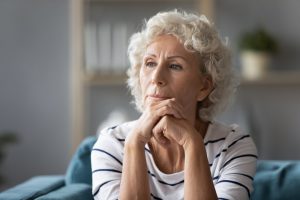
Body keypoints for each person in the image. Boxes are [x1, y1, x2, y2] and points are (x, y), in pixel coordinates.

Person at [91, 10, 257, 200]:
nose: (156, 78)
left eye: (174, 66)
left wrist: (192, 143)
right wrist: (135, 143)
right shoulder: (112, 144)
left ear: (204, 87)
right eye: (150, 63)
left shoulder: (234, 146)